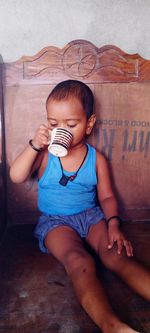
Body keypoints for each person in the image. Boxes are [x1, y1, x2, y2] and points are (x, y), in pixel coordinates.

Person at [10, 80, 150, 333]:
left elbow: (106, 197)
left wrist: (114, 225)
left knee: (116, 255)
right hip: (56, 222)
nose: (61, 130)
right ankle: (112, 325)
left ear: (90, 124)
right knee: (78, 260)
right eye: (54, 124)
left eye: (71, 124)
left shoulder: (96, 159)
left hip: (91, 217)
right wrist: (34, 144)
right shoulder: (44, 155)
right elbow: (17, 176)